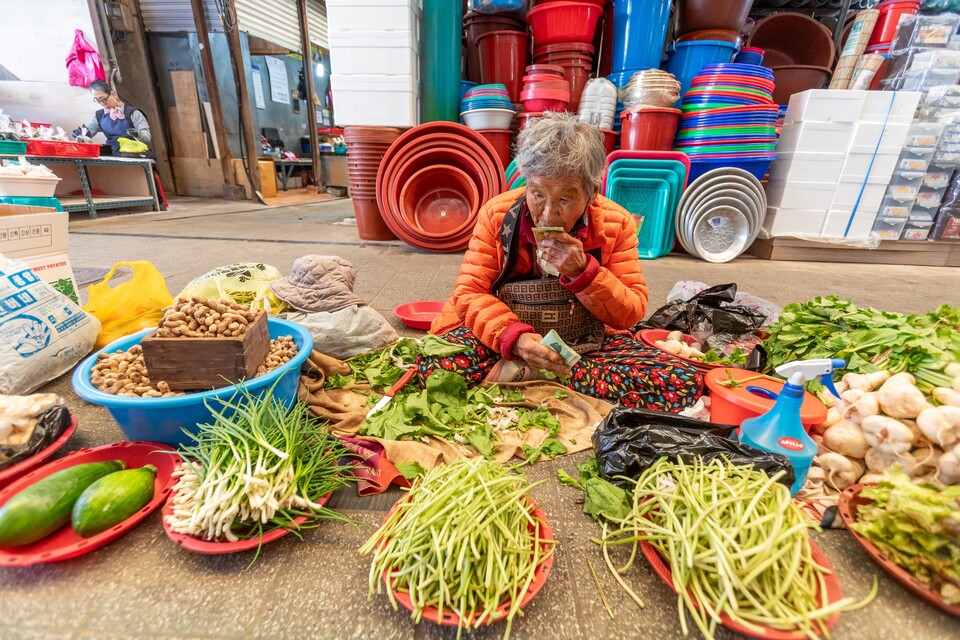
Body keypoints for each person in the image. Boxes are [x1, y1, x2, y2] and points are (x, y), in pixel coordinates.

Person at [421, 111, 703, 412]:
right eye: (537, 194)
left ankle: (529, 377)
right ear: (527, 183)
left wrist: (585, 273)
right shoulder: (496, 215)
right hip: (507, 335)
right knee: (435, 366)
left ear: (591, 193)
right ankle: (560, 379)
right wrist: (515, 339)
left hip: (584, 343)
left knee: (681, 382)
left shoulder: (617, 224)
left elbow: (630, 312)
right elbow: (469, 292)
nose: (547, 215)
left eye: (564, 200)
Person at [86, 79, 151, 156]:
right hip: (112, 155)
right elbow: (88, 132)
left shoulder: (133, 113)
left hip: (133, 155)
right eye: (97, 101)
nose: (102, 103)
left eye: (103, 99)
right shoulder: (99, 115)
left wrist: (137, 134)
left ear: (112, 94)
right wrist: (81, 133)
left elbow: (147, 136)